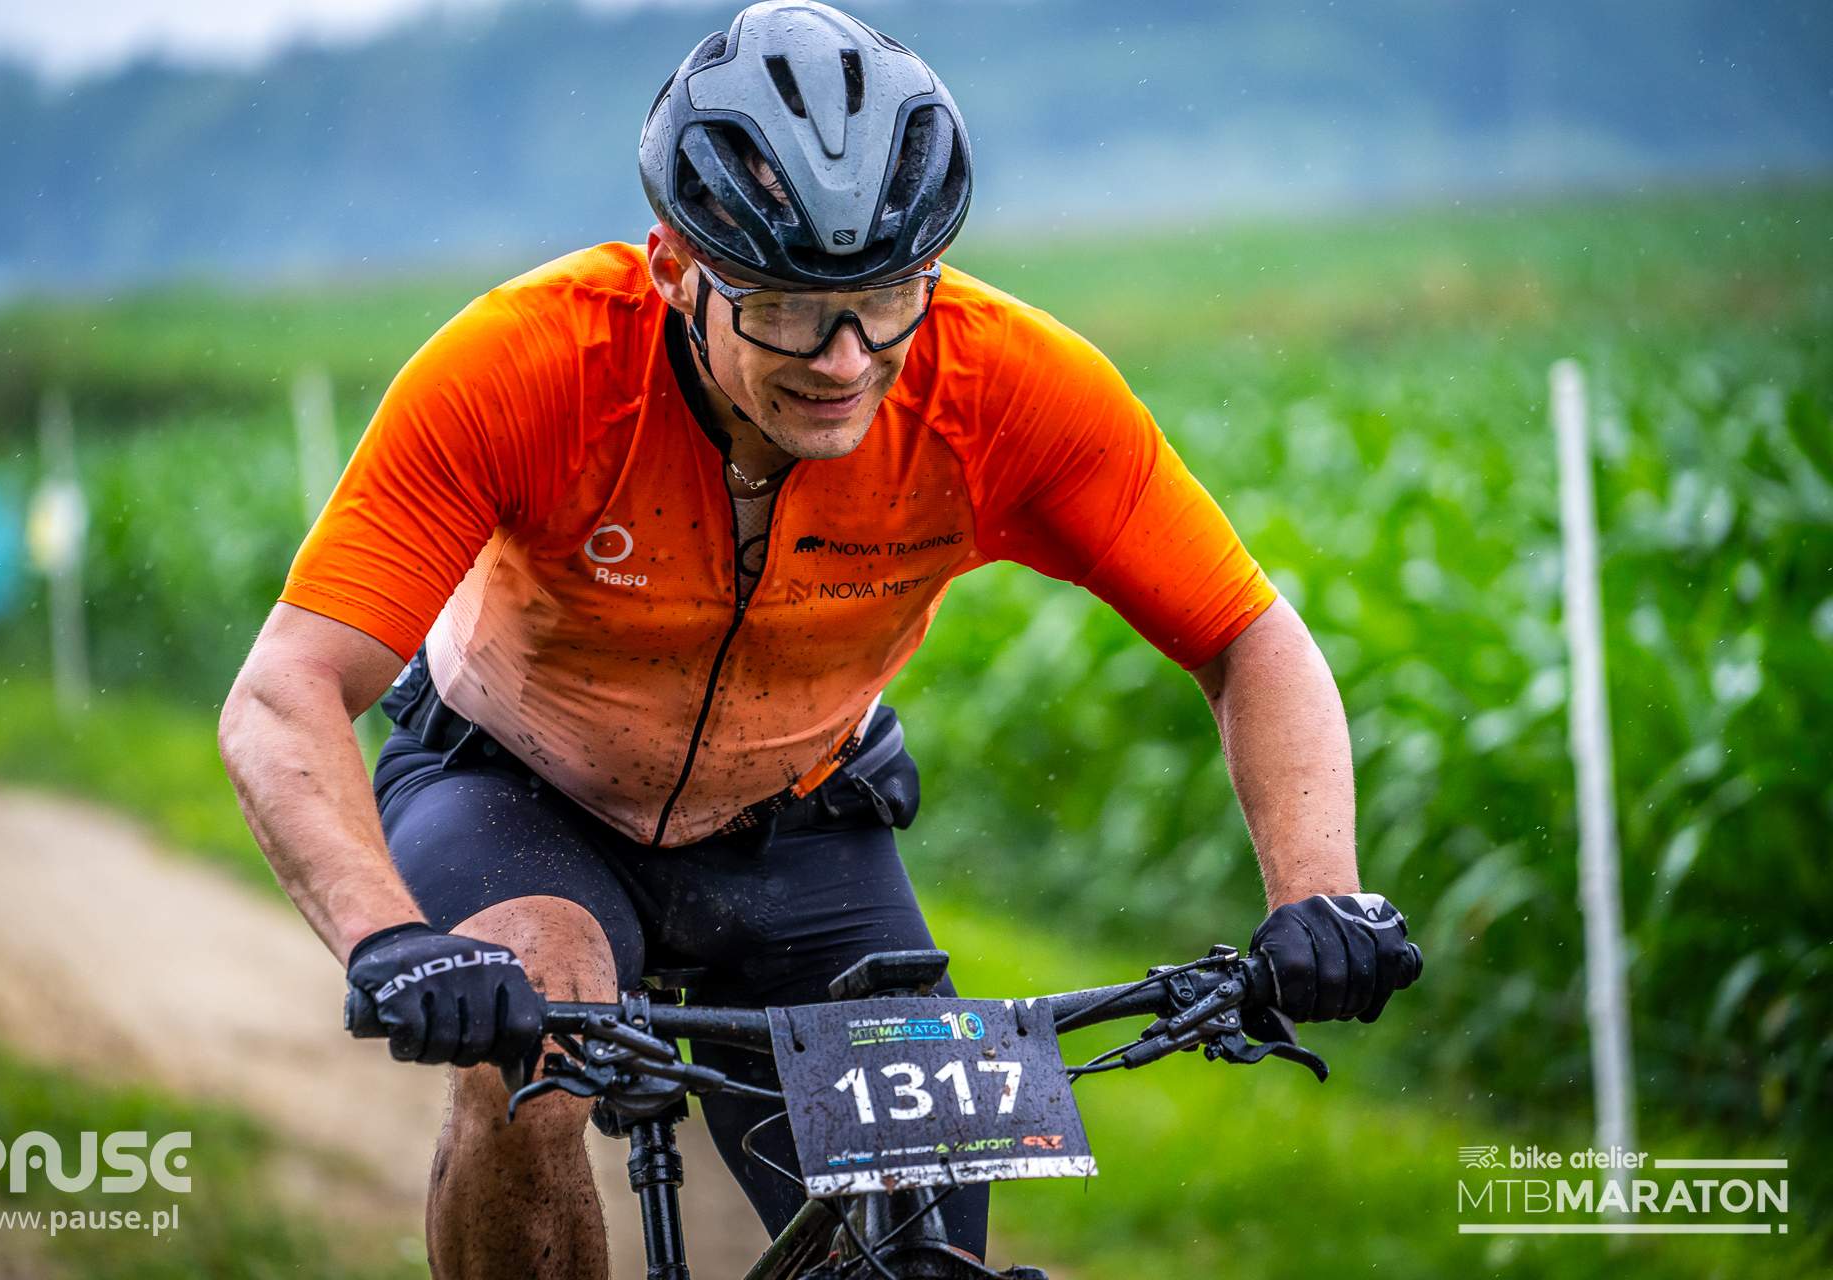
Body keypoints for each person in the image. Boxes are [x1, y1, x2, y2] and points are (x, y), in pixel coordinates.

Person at [218, 2, 1422, 1276]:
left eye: (888, 298)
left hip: (801, 818)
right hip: (514, 790)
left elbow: (1247, 635)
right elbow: (288, 688)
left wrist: (1316, 889)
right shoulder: (528, 366)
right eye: (790, 309)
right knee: (539, 1041)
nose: (847, 359)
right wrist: (391, 941)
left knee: (918, 1218)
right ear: (675, 267)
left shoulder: (1007, 387)